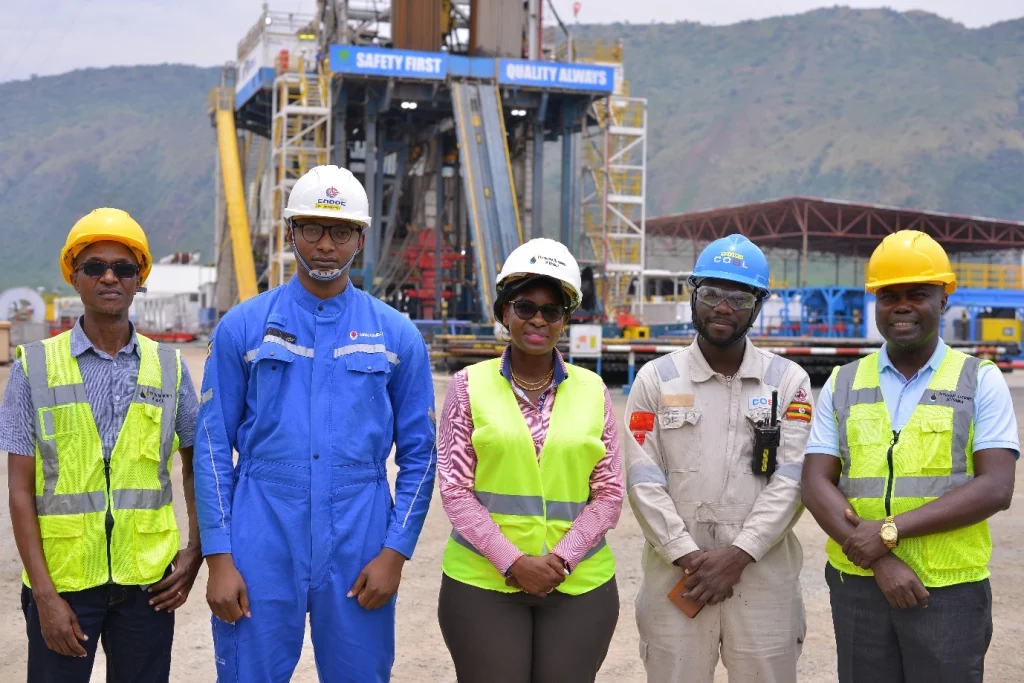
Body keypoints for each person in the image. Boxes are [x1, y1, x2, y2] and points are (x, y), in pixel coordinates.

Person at [193, 165, 437, 682]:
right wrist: (220, 557)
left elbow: (421, 455)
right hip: (262, 527)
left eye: (342, 231)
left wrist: (395, 552)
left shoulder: (397, 335)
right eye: (312, 229)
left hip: (360, 531)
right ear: (290, 233)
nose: (326, 245)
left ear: (361, 240)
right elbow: (213, 447)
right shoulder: (243, 326)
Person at [802, 230, 1018, 683]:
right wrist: (879, 558)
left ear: (943, 300)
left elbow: (996, 487)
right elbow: (815, 482)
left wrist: (888, 533)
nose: (901, 306)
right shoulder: (843, 381)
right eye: (889, 296)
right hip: (858, 583)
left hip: (947, 590)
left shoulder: (980, 380)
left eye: (917, 294)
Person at [0, 208, 202, 682]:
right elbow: (20, 491)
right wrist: (46, 597)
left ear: (139, 279)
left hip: (147, 584)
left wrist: (197, 549)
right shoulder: (35, 368)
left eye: (124, 268)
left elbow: (196, 468)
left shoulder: (170, 368)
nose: (110, 277)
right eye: (95, 267)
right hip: (65, 583)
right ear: (75, 277)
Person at [625, 234, 811, 682]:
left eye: (739, 297)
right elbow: (642, 477)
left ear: (758, 305)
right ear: (692, 296)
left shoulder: (787, 382)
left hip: (762, 576)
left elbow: (792, 477)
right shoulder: (657, 379)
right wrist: (687, 556)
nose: (723, 307)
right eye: (710, 293)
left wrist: (740, 554)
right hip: (679, 576)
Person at [436, 238, 623, 683]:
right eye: (524, 307)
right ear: (505, 313)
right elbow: (455, 491)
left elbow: (610, 493)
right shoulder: (467, 387)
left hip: (579, 583)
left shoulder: (593, 390)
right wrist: (512, 562)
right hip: (483, 583)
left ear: (565, 320)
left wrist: (561, 560)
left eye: (551, 310)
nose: (537, 319)